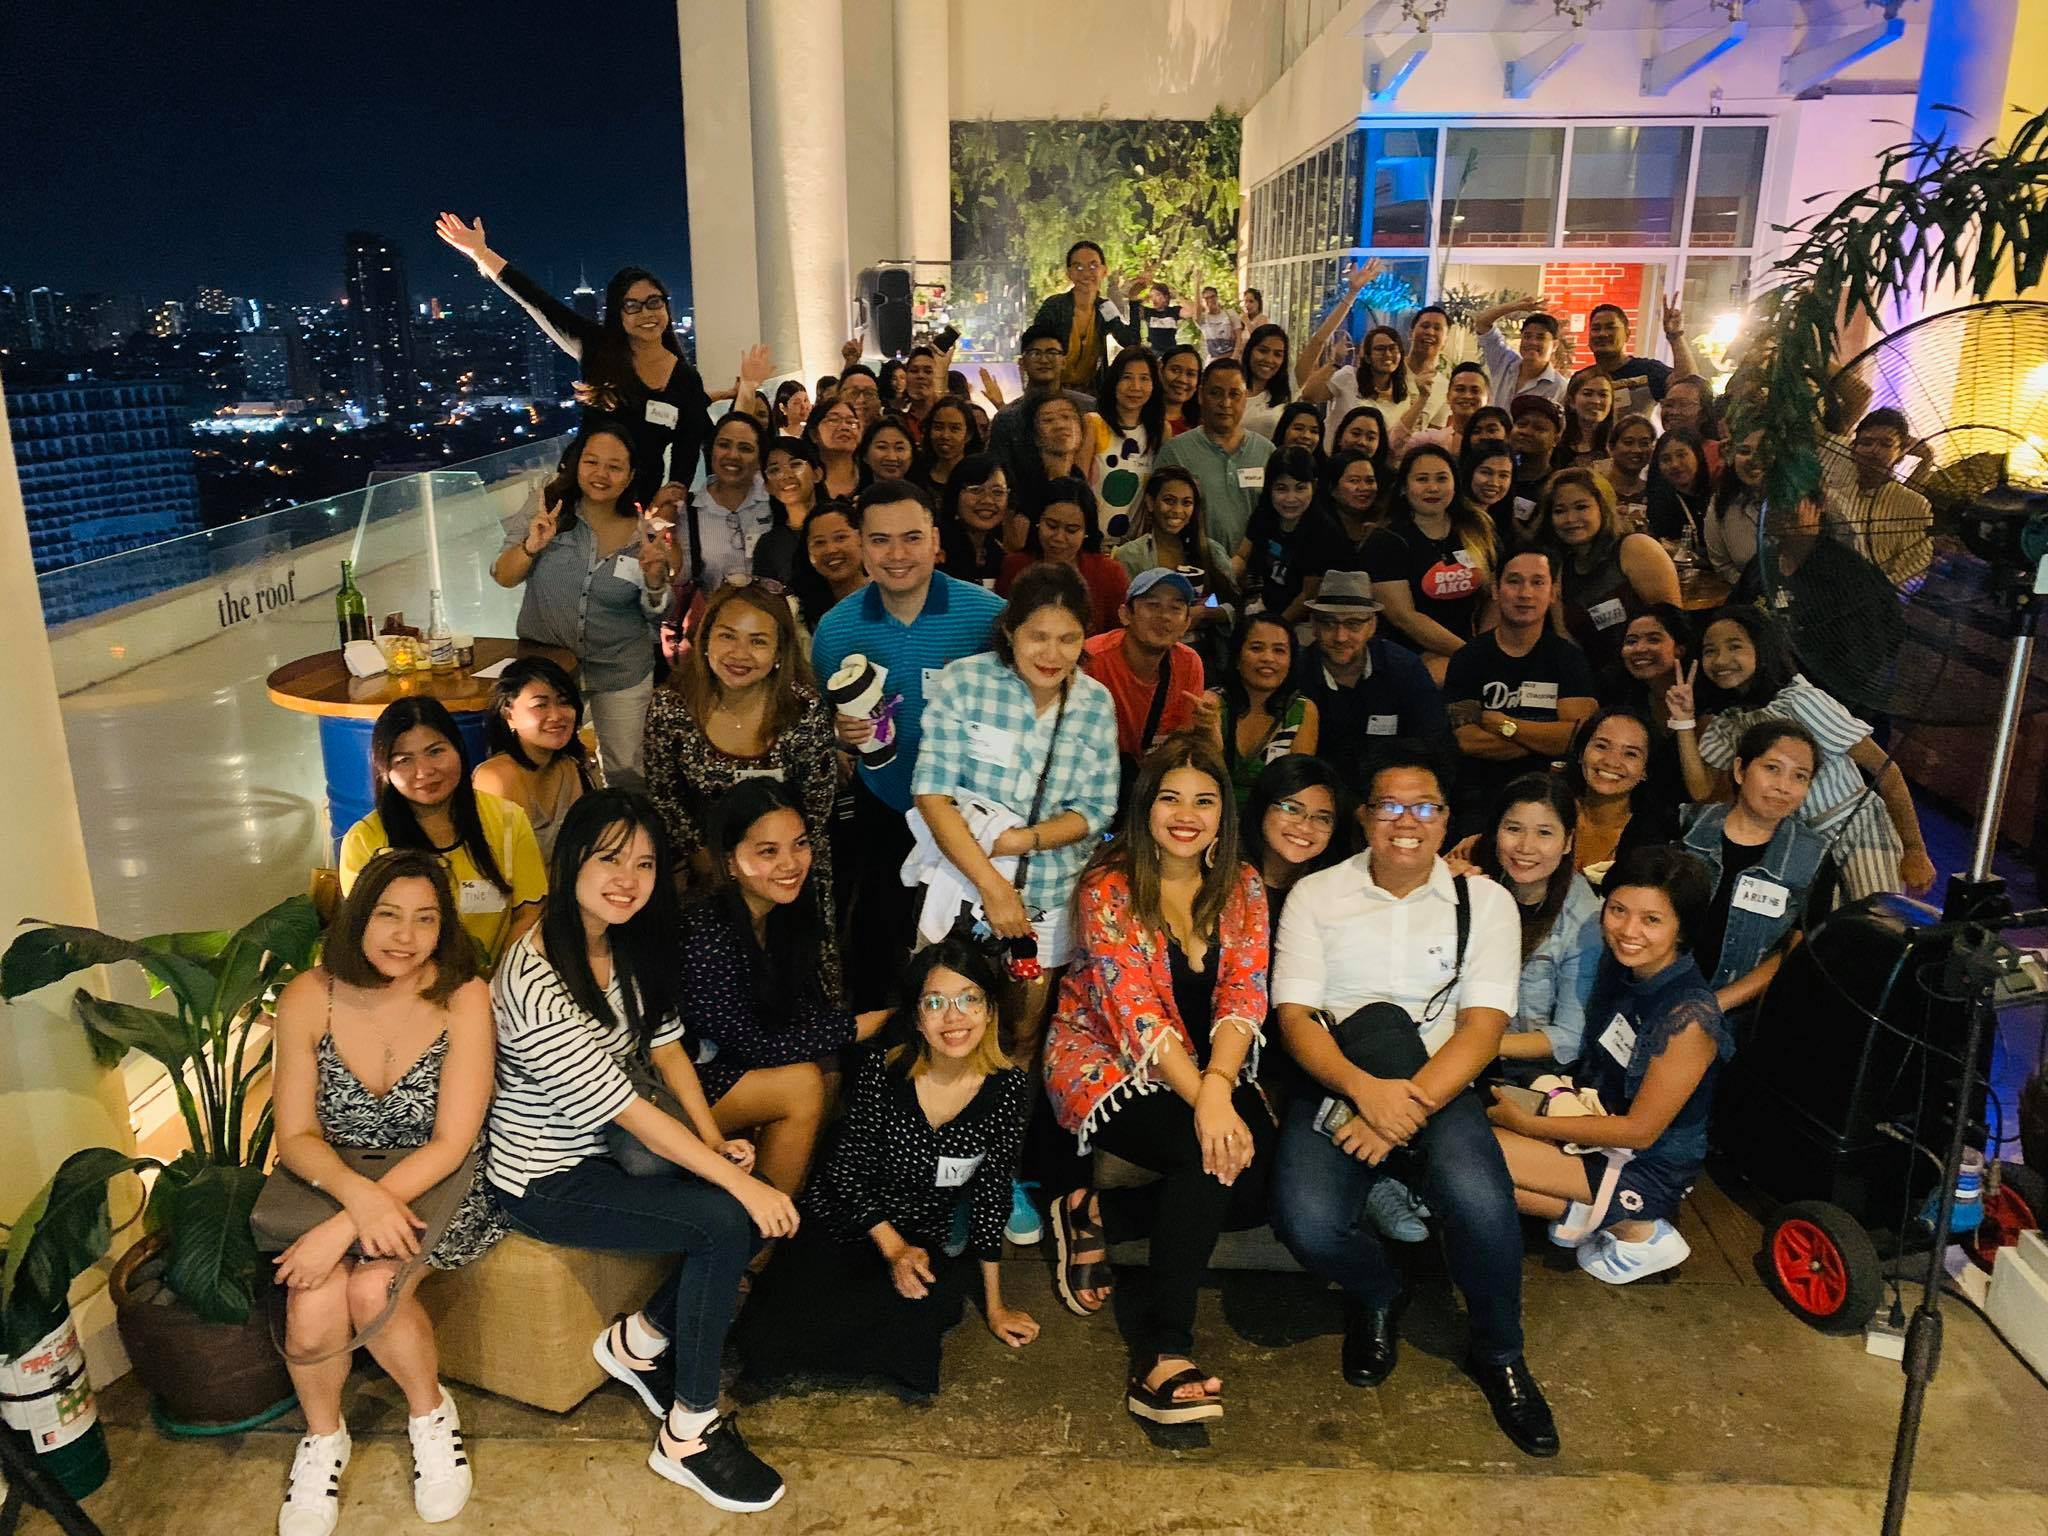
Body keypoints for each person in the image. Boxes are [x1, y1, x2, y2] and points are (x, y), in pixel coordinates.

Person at [487, 791, 794, 1513]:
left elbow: (663, 1042)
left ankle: (637, 1343)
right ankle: (687, 1434)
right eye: (609, 858)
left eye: (645, 862)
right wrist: (735, 1183)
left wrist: (713, 1136)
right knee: (729, 1217)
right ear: (570, 862)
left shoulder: (622, 937)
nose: (628, 877)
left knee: (742, 1200)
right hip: (546, 1178)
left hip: (607, 1150)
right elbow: (626, 1107)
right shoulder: (534, 984)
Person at [1268, 754, 1558, 1457]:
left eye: (1424, 807)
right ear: (1365, 816)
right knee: (1304, 1221)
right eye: (1389, 806)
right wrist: (1366, 1096)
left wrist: (1407, 1109)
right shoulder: (1317, 895)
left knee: (1482, 1201)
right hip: (1342, 1081)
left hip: (1441, 1083)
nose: (1406, 822)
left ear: (1446, 820)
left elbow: (1483, 1029)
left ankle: (1500, 1353)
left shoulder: (1484, 903)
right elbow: (1296, 1015)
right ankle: (1378, 1290)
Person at [1043, 735, 1272, 1424]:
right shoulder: (1107, 884)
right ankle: (1163, 1353)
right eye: (1170, 796)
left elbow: (1244, 993)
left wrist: (1218, 1087)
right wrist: (1208, 1103)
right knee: (1206, 1160)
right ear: (1145, 806)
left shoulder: (1243, 883)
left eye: (1204, 800)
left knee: (1259, 1177)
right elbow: (1133, 1011)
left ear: (1223, 815)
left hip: (1208, 1067)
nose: (1186, 813)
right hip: (1103, 1057)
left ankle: (1094, 1214)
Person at [270, 852, 499, 1536]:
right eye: (388, 915)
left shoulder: (463, 994)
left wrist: (346, 1227)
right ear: (355, 917)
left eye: (425, 919)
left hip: (435, 1176)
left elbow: (452, 1143)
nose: (406, 935)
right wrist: (352, 1201)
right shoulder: (311, 995)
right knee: (311, 1300)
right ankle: (324, 1438)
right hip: (335, 1172)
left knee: (374, 1288)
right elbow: (297, 1134)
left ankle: (430, 1416)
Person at [912, 562, 1122, 1241]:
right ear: (1010, 630)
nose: (1052, 654)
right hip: (965, 899)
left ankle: (998, 1174)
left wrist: (1027, 839)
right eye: (1038, 636)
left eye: (1067, 639)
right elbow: (932, 791)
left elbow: (1095, 808)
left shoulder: (1091, 702)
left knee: (1020, 1040)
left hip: (1050, 901)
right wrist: (995, 883)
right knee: (947, 1032)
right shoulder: (967, 684)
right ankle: (935, 1178)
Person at [735, 934, 1038, 1397]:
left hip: (920, 1234)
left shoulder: (1007, 1089)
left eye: (969, 1000)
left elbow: (992, 1194)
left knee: (915, 1336)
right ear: (917, 1016)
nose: (953, 1017)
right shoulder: (883, 1068)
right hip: (848, 1218)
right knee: (770, 1338)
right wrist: (891, 1248)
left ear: (990, 1010)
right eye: (935, 1002)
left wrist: (996, 1306)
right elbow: (845, 1172)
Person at [1487, 844, 1731, 1286]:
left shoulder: (1688, 1018)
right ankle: (1591, 1211)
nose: (1628, 930)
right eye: (1618, 910)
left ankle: (1635, 1226)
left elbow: (1640, 1131)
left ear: (1682, 928)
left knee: (1472, 1155)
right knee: (1463, 1133)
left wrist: (1530, 1125)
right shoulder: (1620, 969)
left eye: (1652, 919)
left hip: (1643, 1160)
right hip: (1592, 1117)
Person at [811, 481, 1008, 1009]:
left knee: (969, 945)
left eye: (911, 538)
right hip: (886, 799)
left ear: (936, 540)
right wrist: (840, 737)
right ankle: (880, 1053)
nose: (896, 555)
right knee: (879, 938)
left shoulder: (988, 616)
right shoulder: (835, 629)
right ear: (861, 546)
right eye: (879, 540)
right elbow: (824, 722)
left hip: (973, 809)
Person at [679, 780, 892, 1195]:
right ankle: (759, 1240)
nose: (791, 863)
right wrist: (859, 1025)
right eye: (768, 851)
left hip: (731, 1058)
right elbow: (750, 1046)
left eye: (800, 844)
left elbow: (800, 1012)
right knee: (803, 1083)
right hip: (682, 1077)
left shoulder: (783, 913)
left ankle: (793, 1198)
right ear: (730, 861)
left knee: (828, 1068)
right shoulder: (705, 932)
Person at [435, 214, 723, 508]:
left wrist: (670, 500)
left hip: (639, 504)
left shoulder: (685, 378)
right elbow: (536, 301)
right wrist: (481, 254)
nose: (646, 314)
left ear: (666, 306)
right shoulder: (598, 349)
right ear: (618, 315)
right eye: (632, 306)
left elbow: (688, 449)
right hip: (582, 495)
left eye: (654, 302)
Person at [1674, 606, 1934, 899]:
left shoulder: (1801, 701)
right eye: (1710, 651)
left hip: (1855, 831)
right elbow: (1701, 790)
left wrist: (1914, 849)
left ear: (1763, 648)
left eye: (1734, 646)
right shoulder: (1730, 721)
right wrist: (1684, 721)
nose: (1720, 660)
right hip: (1793, 845)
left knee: (1871, 926)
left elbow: (1886, 771)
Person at [493, 424, 672, 784]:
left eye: (614, 466)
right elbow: (503, 575)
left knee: (627, 769)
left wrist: (655, 581)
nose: (601, 474)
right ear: (576, 465)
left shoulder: (645, 532)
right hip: (550, 667)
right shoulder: (548, 510)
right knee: (545, 765)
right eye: (592, 462)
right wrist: (531, 546)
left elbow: (656, 614)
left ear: (630, 476)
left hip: (621, 668)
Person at [643, 577, 838, 893]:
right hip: (706, 870)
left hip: (790, 870)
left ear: (779, 653)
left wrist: (783, 865)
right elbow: (665, 797)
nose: (739, 653)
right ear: (705, 640)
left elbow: (817, 804)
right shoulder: (671, 707)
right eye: (727, 636)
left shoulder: (803, 708)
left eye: (758, 641)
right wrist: (704, 857)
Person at [340, 699, 547, 972]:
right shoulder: (365, 840)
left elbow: (529, 914)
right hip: (405, 989)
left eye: (436, 751)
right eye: (404, 760)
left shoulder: (508, 820)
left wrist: (495, 988)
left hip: (494, 988)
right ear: (384, 770)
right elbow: (366, 937)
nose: (424, 771)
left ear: (458, 748)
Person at [1679, 720, 1831, 1017]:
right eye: (1772, 768)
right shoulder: (1688, 825)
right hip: (1657, 988)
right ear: (1740, 770)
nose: (1783, 787)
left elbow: (1795, 953)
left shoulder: (1815, 856)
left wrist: (1714, 1004)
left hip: (1737, 1015)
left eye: (1799, 776)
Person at [1441, 548, 1597, 834]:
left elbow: (1577, 738)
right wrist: (1543, 739)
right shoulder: (1469, 658)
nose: (1525, 593)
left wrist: (1505, 725)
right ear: (1496, 590)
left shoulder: (1568, 658)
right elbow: (1466, 740)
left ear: (1553, 593)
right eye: (1514, 581)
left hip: (1552, 791)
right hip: (1479, 795)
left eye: (1537, 582)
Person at [1468, 775, 1603, 1073]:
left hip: (1527, 1072)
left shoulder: (1584, 922)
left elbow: (1569, 1037)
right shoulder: (1474, 887)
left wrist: (1473, 1044)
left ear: (1567, 842)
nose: (1525, 847)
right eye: (1513, 829)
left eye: (1544, 833)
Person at [1294, 575, 1447, 799]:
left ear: (1372, 625)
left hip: (1394, 797)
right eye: (1329, 623)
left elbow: (1435, 745)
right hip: (1320, 798)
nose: (1340, 636)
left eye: (1353, 624)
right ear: (1314, 625)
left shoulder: (1404, 669)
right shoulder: (1296, 674)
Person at [1536, 468, 1681, 675]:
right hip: (1598, 683)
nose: (1570, 518)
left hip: (1653, 676)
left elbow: (1673, 626)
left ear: (1602, 508)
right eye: (1559, 511)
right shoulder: (1559, 569)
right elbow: (1565, 638)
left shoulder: (1636, 548)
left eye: (1581, 507)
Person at [1371, 442, 1497, 681]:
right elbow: (1404, 617)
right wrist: (1469, 655)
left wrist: (1485, 647)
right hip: (1409, 649)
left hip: (1472, 646)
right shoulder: (1386, 540)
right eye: (1422, 479)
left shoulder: (1477, 527)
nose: (1433, 488)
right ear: (1404, 487)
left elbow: (1495, 596)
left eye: (1441, 479)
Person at [1081, 566, 1208, 777]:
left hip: (1155, 780)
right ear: (1125, 614)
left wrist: (1208, 728)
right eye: (1153, 605)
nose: (1164, 616)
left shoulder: (1189, 663)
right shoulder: (1090, 659)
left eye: (1175, 608)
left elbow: (1184, 744)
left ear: (1186, 623)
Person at [473, 656, 596, 861]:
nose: (556, 715)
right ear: (508, 714)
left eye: (564, 702)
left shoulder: (569, 766)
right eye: (540, 705)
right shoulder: (495, 778)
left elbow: (582, 850)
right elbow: (511, 872)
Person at [1154, 357, 1275, 553]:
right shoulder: (1176, 453)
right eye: (1215, 393)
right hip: (1194, 570)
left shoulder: (1267, 453)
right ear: (1201, 395)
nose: (1225, 403)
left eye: (1234, 394)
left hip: (1255, 574)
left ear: (1246, 398)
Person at [1208, 612, 1320, 806]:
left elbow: (1295, 787)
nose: (1268, 658)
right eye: (1256, 648)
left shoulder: (1303, 710)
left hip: (1272, 818)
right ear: (1236, 656)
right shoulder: (1212, 703)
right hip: (1214, 812)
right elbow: (1203, 776)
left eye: (1279, 650)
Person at [997, 477, 1129, 635]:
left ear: (1086, 532)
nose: (1059, 537)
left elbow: (1119, 637)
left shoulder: (1109, 574)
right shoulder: (1015, 566)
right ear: (1038, 522)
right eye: (1051, 526)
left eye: (1071, 530)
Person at [1820, 406, 1933, 585]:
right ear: (1852, 450)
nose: (1874, 450)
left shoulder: (1914, 505)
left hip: (1876, 600)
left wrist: (1879, 595)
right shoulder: (1834, 489)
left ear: (1901, 454)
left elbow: (1914, 568)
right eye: (1866, 443)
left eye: (1886, 444)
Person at [1243, 755, 1356, 924]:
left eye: (1322, 818)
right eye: (1292, 809)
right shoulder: (1221, 877)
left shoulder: (1339, 890)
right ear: (1262, 805)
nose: (1305, 826)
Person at [1601, 604, 1696, 804]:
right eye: (1631, 641)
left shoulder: (1705, 703)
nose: (1639, 649)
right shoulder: (1622, 699)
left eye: (1653, 639)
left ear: (1679, 649)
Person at [1111, 464, 1236, 607]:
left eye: (1186, 503)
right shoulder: (1129, 556)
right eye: (1169, 500)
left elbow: (1233, 607)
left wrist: (1206, 613)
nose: (1177, 510)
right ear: (1150, 502)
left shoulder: (1213, 551)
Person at [1232, 446, 1330, 627]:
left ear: (1314, 487)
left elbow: (1308, 596)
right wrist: (1220, 582)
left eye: (1300, 489)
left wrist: (1277, 628)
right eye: (1281, 488)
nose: (1290, 498)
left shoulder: (1322, 530)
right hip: (1267, 606)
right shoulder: (1264, 514)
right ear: (1269, 488)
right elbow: (1242, 557)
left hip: (1309, 620)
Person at [1031, 239, 1139, 397]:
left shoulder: (1104, 308)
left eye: (1093, 266)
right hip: (1052, 391)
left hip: (1090, 393)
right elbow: (1036, 349)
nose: (1086, 273)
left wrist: (1134, 301)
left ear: (1104, 271)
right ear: (1069, 273)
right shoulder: (1054, 306)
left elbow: (1130, 341)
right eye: (1078, 267)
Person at [987, 327, 1094, 480]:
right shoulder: (1007, 419)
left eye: (1052, 352)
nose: (1044, 360)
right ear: (1022, 363)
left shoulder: (1088, 408)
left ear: (1064, 361)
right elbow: (998, 474)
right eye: (1035, 353)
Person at [1296, 448, 1392, 615]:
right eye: (1354, 481)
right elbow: (1308, 594)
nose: (1364, 488)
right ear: (1333, 488)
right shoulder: (1317, 528)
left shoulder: (1383, 527)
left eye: (1370, 481)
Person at [1083, 348, 1165, 541]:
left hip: (1135, 548)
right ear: (1114, 382)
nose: (1136, 386)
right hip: (1093, 543)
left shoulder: (1160, 432)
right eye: (1127, 377)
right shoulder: (1093, 424)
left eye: (1145, 378)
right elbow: (1078, 486)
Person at [1583, 300, 1700, 421]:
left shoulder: (1647, 371)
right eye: (1596, 328)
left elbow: (1688, 383)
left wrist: (1675, 336)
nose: (1602, 334)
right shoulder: (1583, 378)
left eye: (1610, 327)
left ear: (1627, 334)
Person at [1471, 298, 1568, 408]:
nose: (1532, 342)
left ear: (1555, 345)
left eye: (1540, 337)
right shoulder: (1504, 361)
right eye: (1527, 336)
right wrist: (1515, 307)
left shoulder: (1559, 387)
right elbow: (1482, 323)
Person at [753, 434, 822, 587]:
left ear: (817, 474)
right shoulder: (769, 545)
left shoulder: (845, 523)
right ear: (768, 486)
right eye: (774, 469)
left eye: (796, 464)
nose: (786, 475)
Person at [937, 453, 1013, 589]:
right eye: (976, 490)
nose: (988, 500)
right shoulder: (936, 547)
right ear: (955, 495)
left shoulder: (996, 552)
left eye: (997, 492)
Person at [1012, 391, 1092, 517]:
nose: (1060, 426)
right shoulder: (1020, 489)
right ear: (1033, 435)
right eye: (1048, 420)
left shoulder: (1081, 484)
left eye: (1067, 417)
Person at [790, 499, 865, 628]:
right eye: (819, 542)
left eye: (840, 538)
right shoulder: (797, 612)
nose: (831, 549)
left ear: (862, 538)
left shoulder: (889, 596)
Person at [1644, 426, 1713, 550]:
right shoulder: (1657, 506)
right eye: (1666, 459)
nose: (1675, 464)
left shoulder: (1716, 497)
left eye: (1681, 455)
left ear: (1697, 455)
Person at [1593, 413, 1657, 531]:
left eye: (1644, 443)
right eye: (1628, 442)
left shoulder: (1656, 492)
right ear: (1611, 447)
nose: (1637, 450)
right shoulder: (1595, 490)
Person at [1506, 395, 1565, 523]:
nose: (1526, 431)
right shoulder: (1500, 477)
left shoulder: (1558, 486)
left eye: (1539, 428)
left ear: (1555, 440)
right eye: (1521, 424)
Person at [914, 396, 983, 499]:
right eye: (938, 427)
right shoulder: (916, 474)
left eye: (955, 429)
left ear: (968, 434)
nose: (945, 436)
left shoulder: (980, 478)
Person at [1658, 374, 1723, 475]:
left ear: (1703, 414)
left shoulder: (1717, 454)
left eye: (1683, 404)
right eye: (1668, 404)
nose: (1673, 412)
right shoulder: (1659, 452)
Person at [1460, 438, 1518, 551]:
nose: (1494, 483)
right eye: (1486, 472)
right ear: (1470, 472)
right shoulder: (1451, 519)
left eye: (1503, 475)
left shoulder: (1504, 522)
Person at [1239, 323, 1293, 442]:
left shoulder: (1287, 391)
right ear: (1249, 351)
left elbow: (1318, 341)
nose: (1269, 360)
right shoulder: (1231, 391)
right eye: (1263, 351)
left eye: (1277, 354)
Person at [804, 395, 864, 500]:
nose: (844, 427)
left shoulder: (869, 474)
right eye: (833, 420)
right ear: (813, 434)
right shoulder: (804, 481)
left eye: (851, 422)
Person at [1553, 369, 1615, 471]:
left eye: (1603, 395)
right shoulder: (1555, 444)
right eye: (1587, 394)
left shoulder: (1618, 445)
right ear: (1571, 401)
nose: (1596, 401)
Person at [860, 414, 919, 487]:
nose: (892, 457)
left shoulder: (922, 496)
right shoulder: (857, 496)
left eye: (899, 448)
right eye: (882, 447)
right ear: (865, 455)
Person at [1133, 281, 1185, 353]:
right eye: (1151, 296)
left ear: (1166, 297)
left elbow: (1192, 312)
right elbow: (1133, 306)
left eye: (1157, 295)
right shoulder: (1148, 312)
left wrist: (1178, 296)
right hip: (1153, 352)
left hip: (1171, 352)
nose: (1154, 299)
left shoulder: (1174, 311)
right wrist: (1143, 296)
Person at [1195, 285, 1241, 360]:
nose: (1210, 300)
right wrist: (1197, 283)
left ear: (1217, 297)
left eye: (1212, 296)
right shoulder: (1203, 318)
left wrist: (1234, 358)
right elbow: (1196, 311)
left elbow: (1239, 337)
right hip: (1213, 360)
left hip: (1230, 357)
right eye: (1206, 298)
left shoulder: (1230, 313)